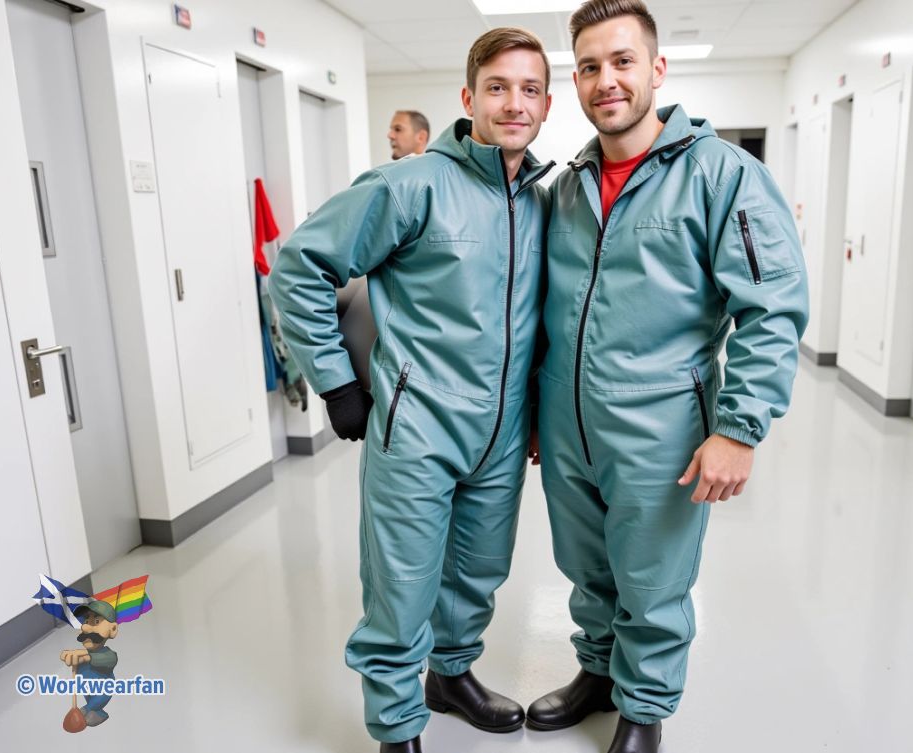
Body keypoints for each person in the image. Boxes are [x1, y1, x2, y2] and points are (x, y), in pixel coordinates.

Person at [526, 1, 809, 751]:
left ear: (656, 68)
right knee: (586, 567)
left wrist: (738, 430)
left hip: (661, 424)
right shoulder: (567, 186)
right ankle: (597, 672)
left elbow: (772, 308)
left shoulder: (722, 175)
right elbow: (544, 310)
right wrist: (534, 412)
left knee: (652, 579)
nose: (606, 81)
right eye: (590, 67)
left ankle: (644, 708)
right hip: (567, 422)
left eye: (622, 61)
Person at [269, 28, 554, 753]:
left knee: (475, 574)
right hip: (417, 423)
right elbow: (299, 266)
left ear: (547, 105)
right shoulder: (410, 184)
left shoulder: (542, 201)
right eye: (497, 87)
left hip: (501, 433)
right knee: (402, 585)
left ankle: (450, 678)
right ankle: (397, 727)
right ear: (468, 97)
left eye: (529, 89)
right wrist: (337, 382)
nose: (513, 103)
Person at [58, 601, 120, 728]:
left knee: (94, 703)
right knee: (90, 703)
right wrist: (73, 658)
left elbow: (103, 659)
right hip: (87, 688)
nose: (85, 628)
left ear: (113, 629)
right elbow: (81, 659)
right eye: (86, 621)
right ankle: (93, 710)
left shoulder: (109, 655)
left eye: (96, 622)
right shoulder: (83, 654)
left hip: (103, 689)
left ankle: (90, 709)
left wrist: (83, 655)